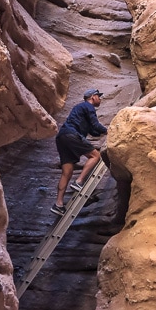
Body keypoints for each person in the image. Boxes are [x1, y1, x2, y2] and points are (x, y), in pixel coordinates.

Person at [50, 88, 108, 216]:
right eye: (99, 96)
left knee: (67, 172)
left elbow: (93, 130)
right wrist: (109, 130)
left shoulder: (81, 109)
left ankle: (58, 204)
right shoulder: (88, 106)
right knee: (95, 155)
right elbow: (96, 124)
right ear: (93, 97)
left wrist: (100, 131)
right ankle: (79, 181)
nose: (100, 99)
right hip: (71, 134)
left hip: (62, 137)